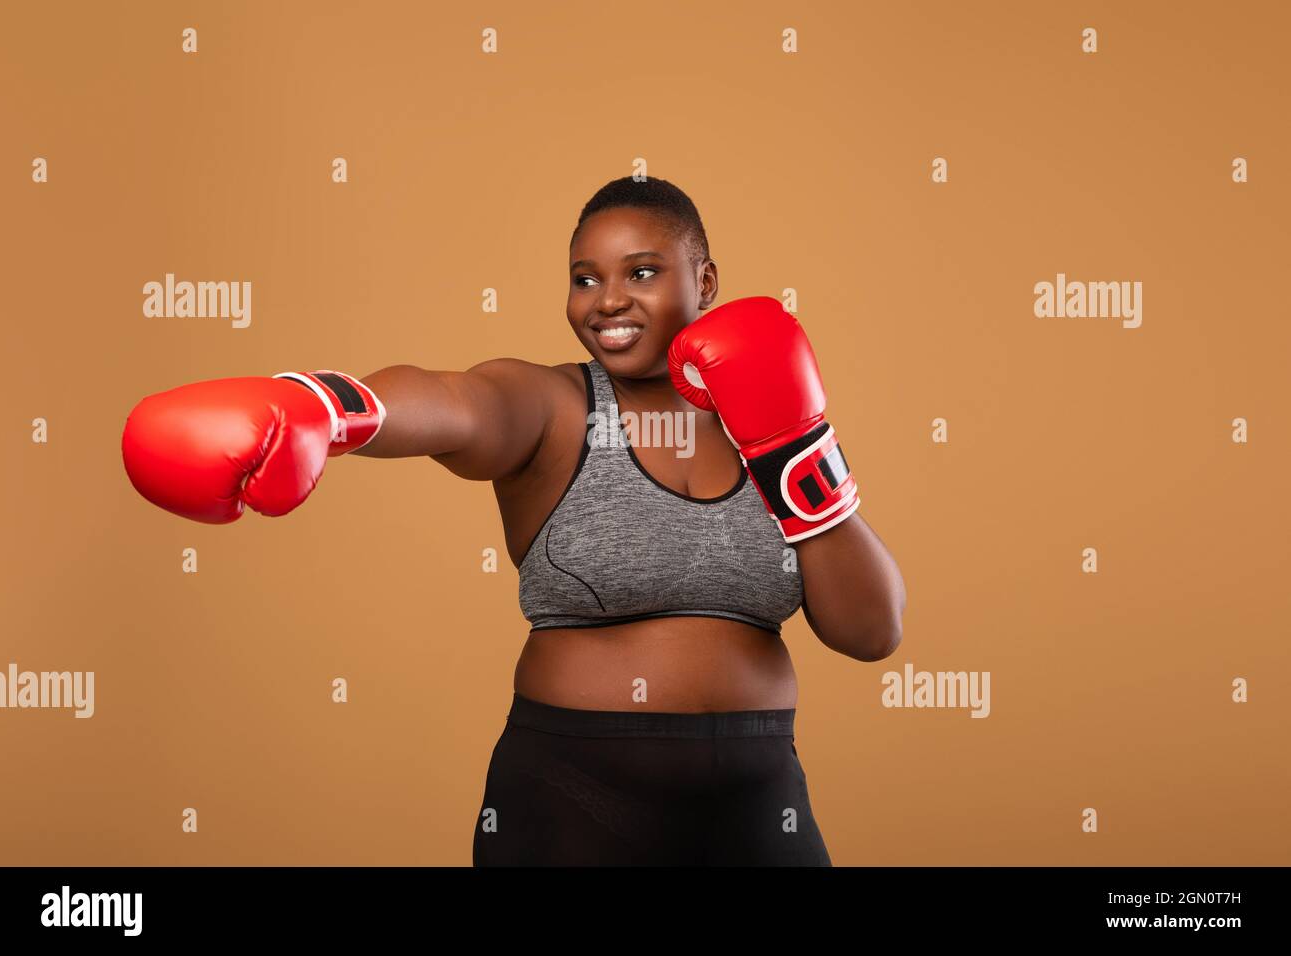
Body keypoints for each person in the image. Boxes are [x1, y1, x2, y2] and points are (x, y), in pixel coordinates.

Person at [121, 176, 907, 866]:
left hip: (758, 792)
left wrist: (795, 447)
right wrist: (327, 408)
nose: (607, 301)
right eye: (583, 278)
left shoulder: (771, 420)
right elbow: (454, 402)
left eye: (641, 272)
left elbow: (871, 632)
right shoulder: (553, 408)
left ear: (704, 280)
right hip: (576, 796)